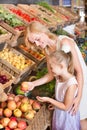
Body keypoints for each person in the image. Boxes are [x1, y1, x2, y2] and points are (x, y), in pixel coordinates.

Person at [21, 21, 87, 130]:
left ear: (43, 32)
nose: (37, 44)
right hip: (64, 85)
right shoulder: (47, 50)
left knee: (80, 117)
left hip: (79, 83)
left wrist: (79, 97)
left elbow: (79, 71)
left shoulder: (64, 42)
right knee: (70, 118)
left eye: (37, 39)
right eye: (34, 43)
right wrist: (33, 83)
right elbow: (51, 75)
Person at [37, 50, 81, 130]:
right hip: (59, 114)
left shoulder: (71, 84)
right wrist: (55, 105)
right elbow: (62, 100)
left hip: (67, 118)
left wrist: (49, 100)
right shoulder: (59, 77)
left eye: (51, 67)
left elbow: (66, 107)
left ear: (61, 66)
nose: (50, 69)